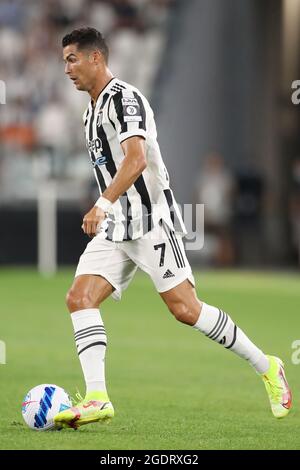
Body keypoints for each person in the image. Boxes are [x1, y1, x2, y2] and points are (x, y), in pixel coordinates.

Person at [55, 27, 292, 429]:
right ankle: (97, 397)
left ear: (96, 58)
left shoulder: (125, 99)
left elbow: (136, 161)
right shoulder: (89, 111)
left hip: (151, 222)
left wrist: (101, 203)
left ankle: (267, 365)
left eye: (72, 59)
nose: (67, 69)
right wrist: (107, 208)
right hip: (116, 226)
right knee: (79, 298)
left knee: (185, 310)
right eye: (64, 61)